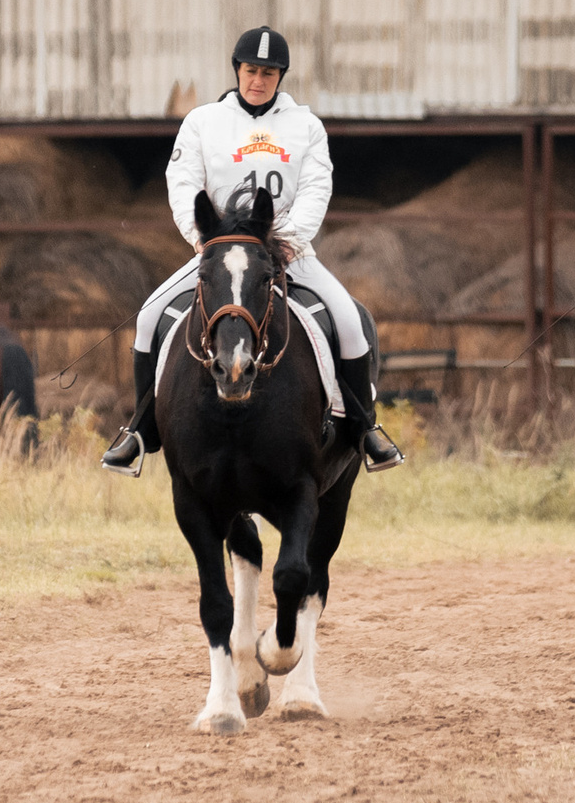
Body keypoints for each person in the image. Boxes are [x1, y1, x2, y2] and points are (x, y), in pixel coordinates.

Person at [101, 24, 404, 477]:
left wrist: (287, 241)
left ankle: (365, 429)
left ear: (280, 76)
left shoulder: (306, 127)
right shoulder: (202, 122)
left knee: (349, 321)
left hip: (288, 252)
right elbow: (183, 186)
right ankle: (142, 429)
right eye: (250, 70)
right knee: (148, 317)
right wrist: (204, 239)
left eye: (267, 72)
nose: (257, 80)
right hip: (222, 253)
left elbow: (317, 189)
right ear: (236, 70)